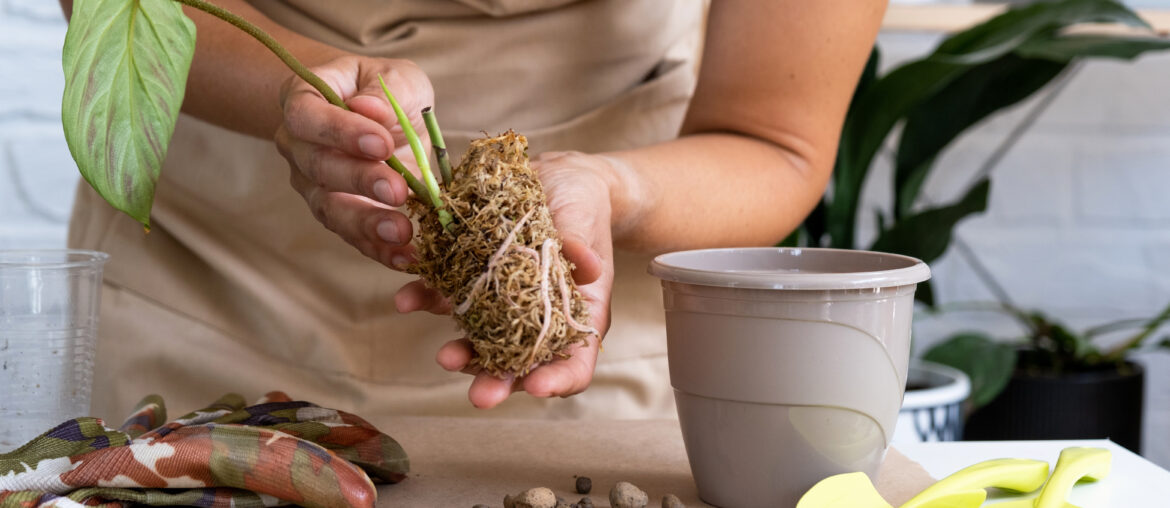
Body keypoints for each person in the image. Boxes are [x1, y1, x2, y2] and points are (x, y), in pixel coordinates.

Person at [60, 0, 886, 421]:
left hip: (577, 310)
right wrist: (303, 90)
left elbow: (773, 139)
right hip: (209, 285)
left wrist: (610, 189)